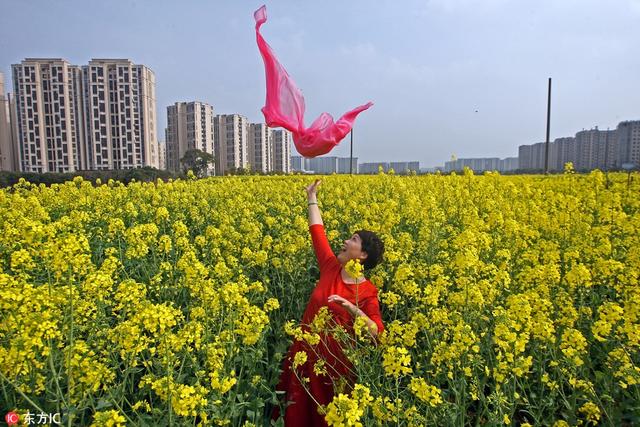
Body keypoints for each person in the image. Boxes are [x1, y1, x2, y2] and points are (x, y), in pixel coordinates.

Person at [274, 179, 385, 426]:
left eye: (353, 239)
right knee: (297, 413)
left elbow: (376, 331)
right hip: (304, 354)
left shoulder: (367, 292)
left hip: (335, 369)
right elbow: (318, 232)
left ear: (363, 254)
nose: (345, 241)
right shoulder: (330, 267)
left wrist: (352, 309)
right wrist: (311, 197)